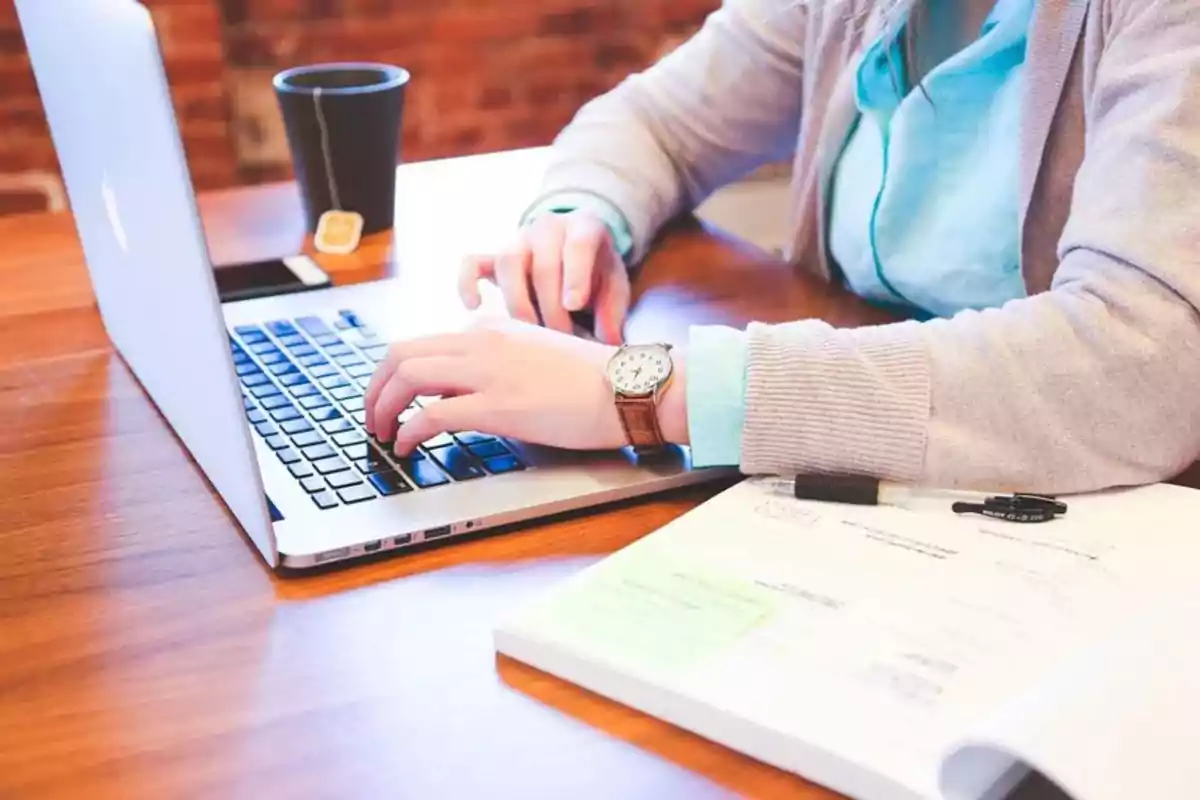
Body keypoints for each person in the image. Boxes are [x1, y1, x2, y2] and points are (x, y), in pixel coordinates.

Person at [364, 0, 1200, 494]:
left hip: (1096, 528)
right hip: (878, 495)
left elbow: (1144, 364)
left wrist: (644, 391)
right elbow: (657, 121)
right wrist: (579, 215)